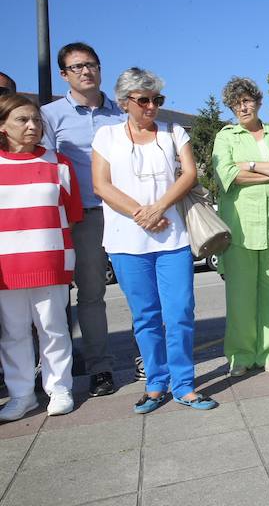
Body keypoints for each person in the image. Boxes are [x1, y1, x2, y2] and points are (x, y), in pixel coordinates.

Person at [92, 68, 217, 413]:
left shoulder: (173, 131)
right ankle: (155, 384)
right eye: (143, 100)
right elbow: (101, 184)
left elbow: (190, 174)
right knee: (145, 315)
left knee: (179, 312)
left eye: (157, 100)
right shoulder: (106, 136)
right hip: (125, 240)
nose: (151, 106)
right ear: (124, 102)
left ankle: (185, 384)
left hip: (171, 237)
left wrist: (159, 207)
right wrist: (140, 213)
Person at [42, 42, 126, 396]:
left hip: (126, 213)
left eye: (91, 64)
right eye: (76, 67)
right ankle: (100, 368)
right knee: (91, 296)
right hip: (86, 217)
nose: (85, 71)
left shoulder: (123, 111)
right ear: (64, 74)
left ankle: (149, 359)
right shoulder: (49, 115)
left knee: (142, 292)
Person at [0, 94, 81, 420]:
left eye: (36, 119)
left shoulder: (58, 163)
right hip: (8, 265)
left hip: (50, 261)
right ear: (3, 126)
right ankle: (21, 394)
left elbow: (72, 214)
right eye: (22, 120)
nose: (32, 126)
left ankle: (60, 388)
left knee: (54, 327)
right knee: (14, 331)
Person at [212, 77, 269, 376]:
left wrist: (249, 166)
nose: (242, 107)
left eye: (247, 100)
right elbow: (227, 176)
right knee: (240, 298)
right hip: (239, 227)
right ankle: (240, 355)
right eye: (236, 103)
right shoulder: (226, 136)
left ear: (259, 102)